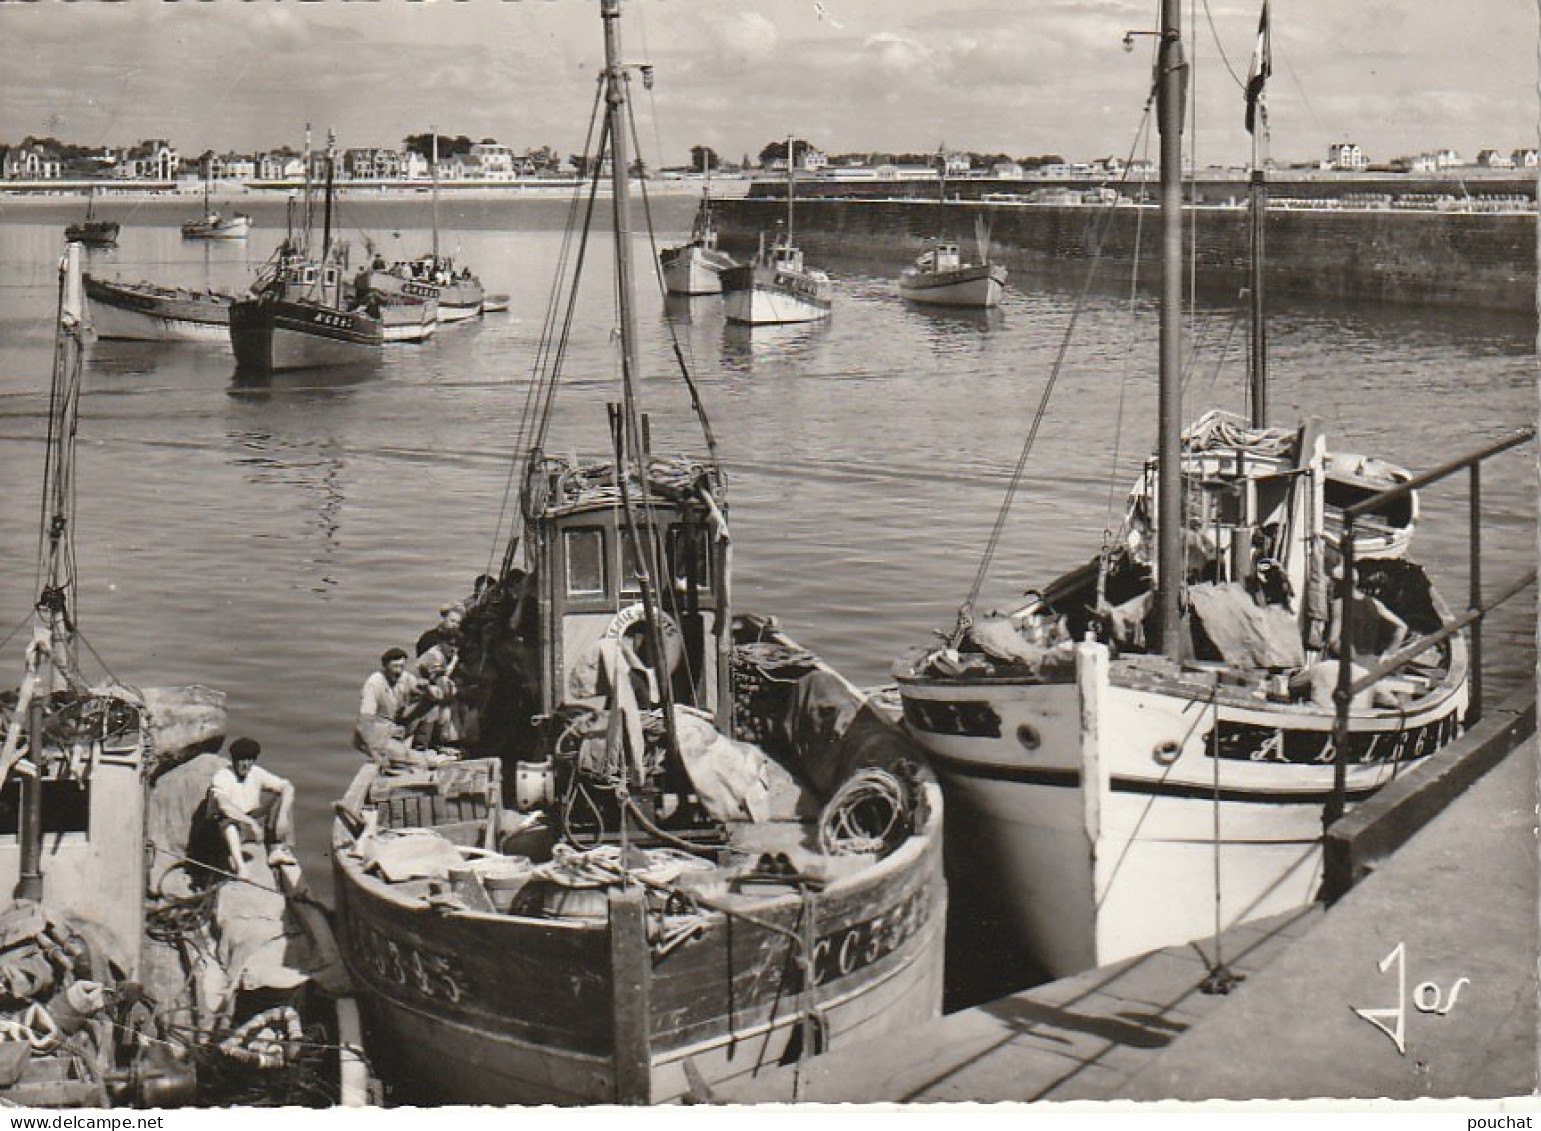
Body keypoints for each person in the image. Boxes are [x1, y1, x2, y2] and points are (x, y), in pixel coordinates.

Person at [205, 738, 294, 880]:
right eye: (241, 760)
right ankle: (240, 866)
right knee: (227, 820)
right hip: (223, 831)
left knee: (280, 796)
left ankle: (277, 849)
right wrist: (251, 823)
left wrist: (283, 815)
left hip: (246, 821)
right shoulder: (222, 776)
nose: (245, 764)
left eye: (249, 760)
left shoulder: (256, 773)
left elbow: (287, 786)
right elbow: (225, 806)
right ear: (234, 760)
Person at [354, 647, 414, 764]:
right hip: (377, 731)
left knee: (431, 705)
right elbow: (365, 720)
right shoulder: (374, 683)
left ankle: (421, 745)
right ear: (385, 666)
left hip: (394, 727)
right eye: (395, 667)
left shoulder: (405, 678)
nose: (399, 671)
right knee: (402, 755)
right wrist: (374, 749)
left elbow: (419, 691)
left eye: (402, 667)